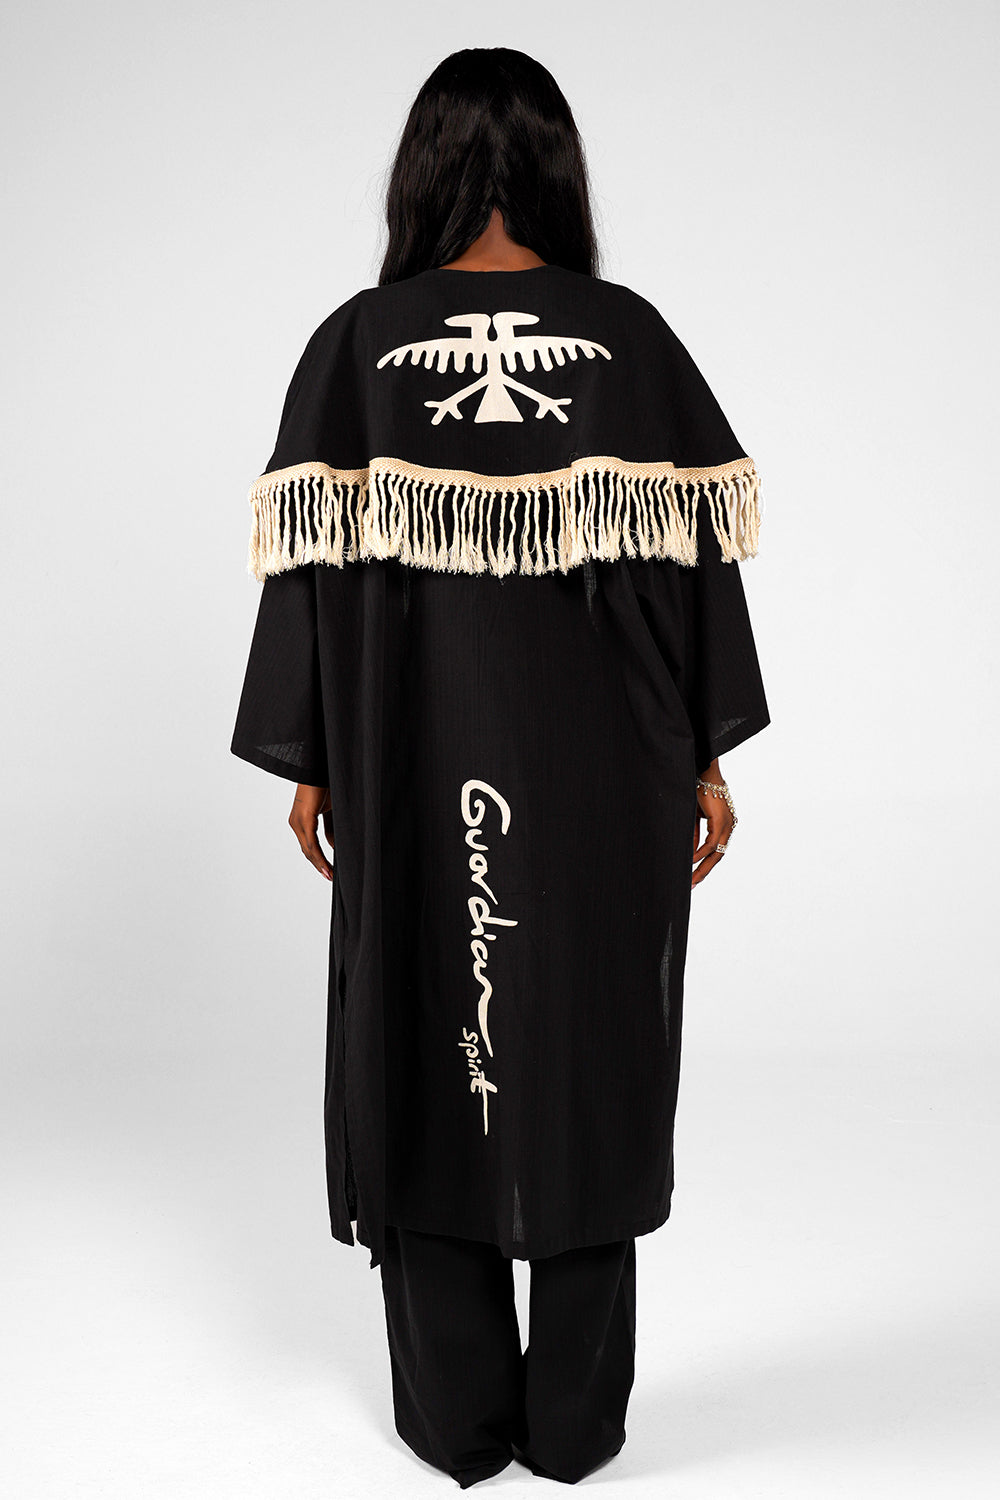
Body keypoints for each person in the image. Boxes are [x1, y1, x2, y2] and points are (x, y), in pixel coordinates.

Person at [231, 46, 770, 1488]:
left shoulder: (360, 343)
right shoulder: (629, 337)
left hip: (414, 762)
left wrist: (314, 756)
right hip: (609, 768)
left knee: (423, 1034)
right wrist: (705, 758)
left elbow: (308, 584)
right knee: (590, 1053)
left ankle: (457, 1421)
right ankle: (579, 1426)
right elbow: (698, 577)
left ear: (422, 170)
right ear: (556, 169)